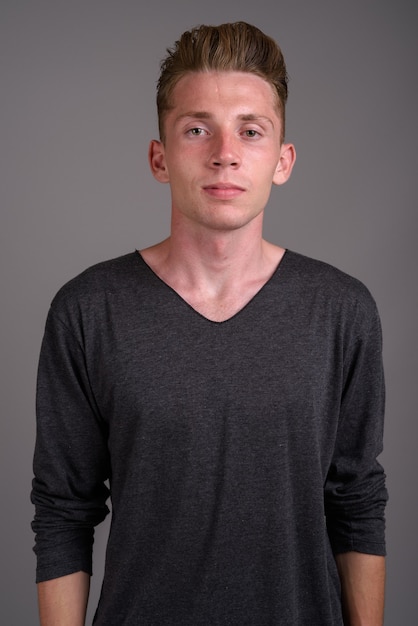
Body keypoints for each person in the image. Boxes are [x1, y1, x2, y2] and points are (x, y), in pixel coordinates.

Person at [31, 21, 387, 626]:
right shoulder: (89, 311)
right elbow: (64, 510)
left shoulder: (342, 310)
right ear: (159, 157)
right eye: (198, 129)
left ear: (283, 160)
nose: (225, 152)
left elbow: (356, 502)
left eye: (251, 131)